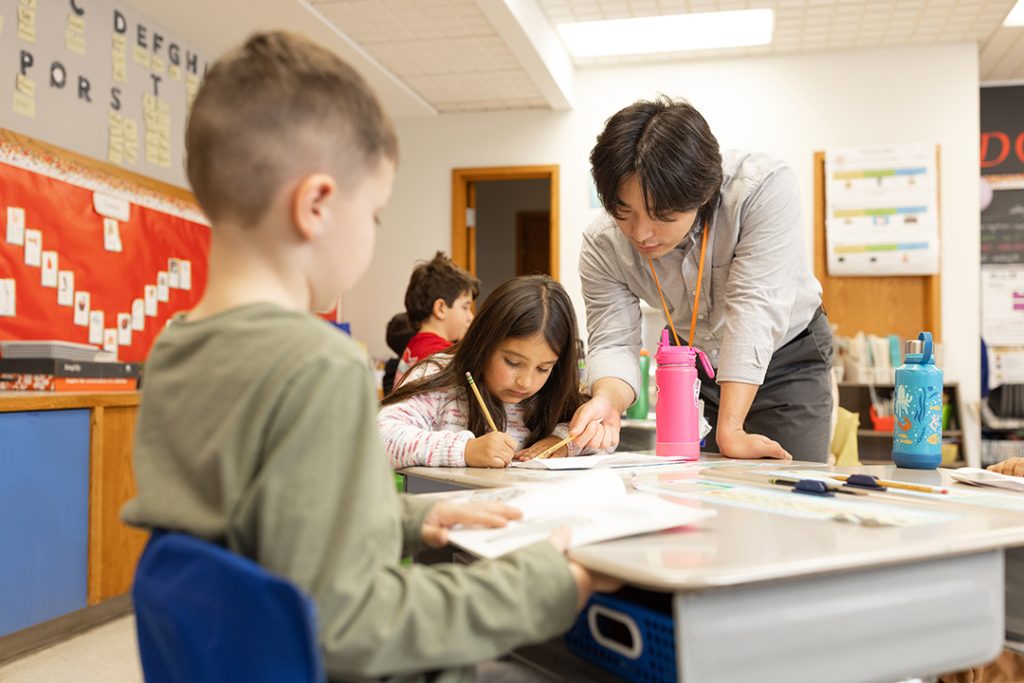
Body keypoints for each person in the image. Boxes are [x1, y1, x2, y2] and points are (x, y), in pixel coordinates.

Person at [121, 31, 616, 683]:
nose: (373, 233)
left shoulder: (177, 346)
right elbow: (352, 624)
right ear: (317, 204)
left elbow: (263, 537)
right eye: (376, 213)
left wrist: (415, 515)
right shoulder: (318, 364)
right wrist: (541, 581)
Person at [569, 96, 833, 463]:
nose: (642, 233)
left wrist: (732, 429)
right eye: (623, 212)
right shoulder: (602, 243)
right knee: (700, 491)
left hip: (785, 357)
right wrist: (607, 400)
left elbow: (754, 307)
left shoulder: (761, 189)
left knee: (787, 485)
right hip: (694, 367)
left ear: (703, 192)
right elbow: (613, 341)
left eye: (662, 214)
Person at [379, 275, 609, 469]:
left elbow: (605, 438)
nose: (525, 382)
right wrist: (465, 450)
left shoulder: (551, 391)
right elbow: (379, 438)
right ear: (485, 343)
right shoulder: (438, 377)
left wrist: (562, 442)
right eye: (512, 362)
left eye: (543, 368)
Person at [395, 251, 479, 387]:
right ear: (440, 308)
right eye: (465, 307)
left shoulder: (414, 346)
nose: (471, 317)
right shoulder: (443, 357)